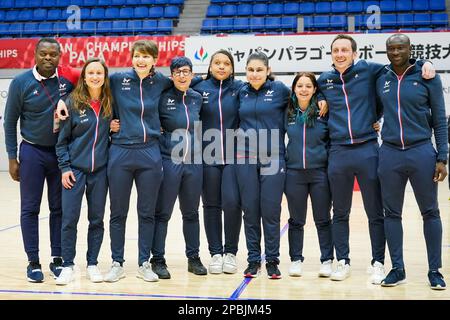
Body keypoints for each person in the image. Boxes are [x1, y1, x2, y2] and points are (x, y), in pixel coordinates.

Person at [316, 34, 435, 284]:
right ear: (331, 54)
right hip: (338, 151)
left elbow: (399, 64)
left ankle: (378, 262)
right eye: (335, 50)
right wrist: (320, 98)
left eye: (345, 50)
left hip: (368, 149)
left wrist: (424, 61)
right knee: (340, 211)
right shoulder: (324, 80)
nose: (340, 54)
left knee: (375, 212)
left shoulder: (371, 71)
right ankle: (343, 261)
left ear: (354, 53)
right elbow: (315, 100)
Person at [3, 38, 80, 283]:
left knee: (59, 209)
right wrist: (12, 157)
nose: (48, 58)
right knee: (30, 208)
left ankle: (57, 258)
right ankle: (33, 261)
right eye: (43, 54)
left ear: (60, 57)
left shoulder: (67, 83)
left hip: (59, 155)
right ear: (34, 55)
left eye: (53, 55)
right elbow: (9, 121)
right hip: (32, 153)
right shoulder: (20, 83)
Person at [376, 34, 448, 290]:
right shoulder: (381, 78)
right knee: (391, 214)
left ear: (409, 49)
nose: (396, 52)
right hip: (390, 153)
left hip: (421, 152)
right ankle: (397, 269)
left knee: (430, 212)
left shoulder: (427, 76)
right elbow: (372, 109)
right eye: (391, 48)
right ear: (386, 51)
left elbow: (439, 119)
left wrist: (442, 157)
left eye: (401, 47)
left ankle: (435, 270)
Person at [54, 58, 112, 285]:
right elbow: (62, 141)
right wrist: (65, 168)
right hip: (74, 171)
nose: (95, 76)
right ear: (84, 77)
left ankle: (92, 263)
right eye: (91, 73)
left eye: (99, 72)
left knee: (96, 219)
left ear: (105, 76)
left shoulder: (109, 102)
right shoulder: (71, 102)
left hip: (100, 172)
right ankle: (67, 265)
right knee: (69, 219)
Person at [235, 52, 290, 279]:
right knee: (250, 210)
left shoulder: (280, 91)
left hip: (273, 157)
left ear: (267, 71)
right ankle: (253, 260)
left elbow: (307, 96)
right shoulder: (241, 92)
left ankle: (273, 261)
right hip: (245, 158)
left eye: (259, 70)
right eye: (251, 70)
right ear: (245, 72)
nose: (255, 74)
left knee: (270, 211)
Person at [151, 56, 206, 278]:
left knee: (191, 213)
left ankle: (193, 258)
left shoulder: (197, 97)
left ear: (192, 74)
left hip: (194, 162)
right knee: (162, 213)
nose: (182, 76)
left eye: (186, 72)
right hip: (168, 159)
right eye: (177, 72)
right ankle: (158, 259)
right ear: (171, 75)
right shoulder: (162, 97)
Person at [191, 49, 244, 274]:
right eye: (217, 63)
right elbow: (171, 86)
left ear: (232, 68)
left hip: (234, 156)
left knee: (232, 203)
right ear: (210, 66)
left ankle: (230, 252)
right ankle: (215, 253)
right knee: (211, 205)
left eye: (226, 63)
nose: (221, 67)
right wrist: (195, 78)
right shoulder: (199, 88)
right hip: (208, 156)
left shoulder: (240, 89)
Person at [284, 72, 333, 278]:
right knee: (296, 220)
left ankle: (327, 260)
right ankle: (296, 259)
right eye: (299, 86)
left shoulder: (324, 112)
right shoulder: (286, 112)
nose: (303, 89)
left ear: (315, 89)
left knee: (322, 219)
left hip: (320, 173)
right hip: (294, 174)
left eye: (308, 86)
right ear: (294, 89)